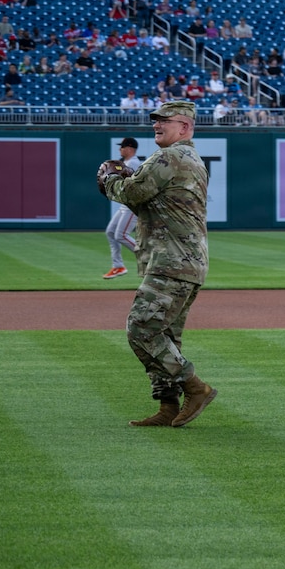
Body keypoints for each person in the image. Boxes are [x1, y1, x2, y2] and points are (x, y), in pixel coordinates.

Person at [99, 101, 216, 428]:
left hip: (173, 261)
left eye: (165, 120)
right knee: (165, 336)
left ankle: (195, 387)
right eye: (155, 120)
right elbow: (151, 197)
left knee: (141, 327)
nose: (157, 125)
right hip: (184, 261)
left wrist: (109, 180)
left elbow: (134, 192)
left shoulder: (171, 156)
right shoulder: (191, 158)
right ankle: (167, 406)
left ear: (185, 128)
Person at [102, 138, 143, 279]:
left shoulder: (133, 163)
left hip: (132, 205)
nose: (120, 149)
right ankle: (118, 266)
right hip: (125, 204)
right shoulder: (125, 163)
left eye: (123, 147)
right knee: (111, 232)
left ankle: (147, 256)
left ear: (130, 148)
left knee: (121, 235)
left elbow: (133, 186)